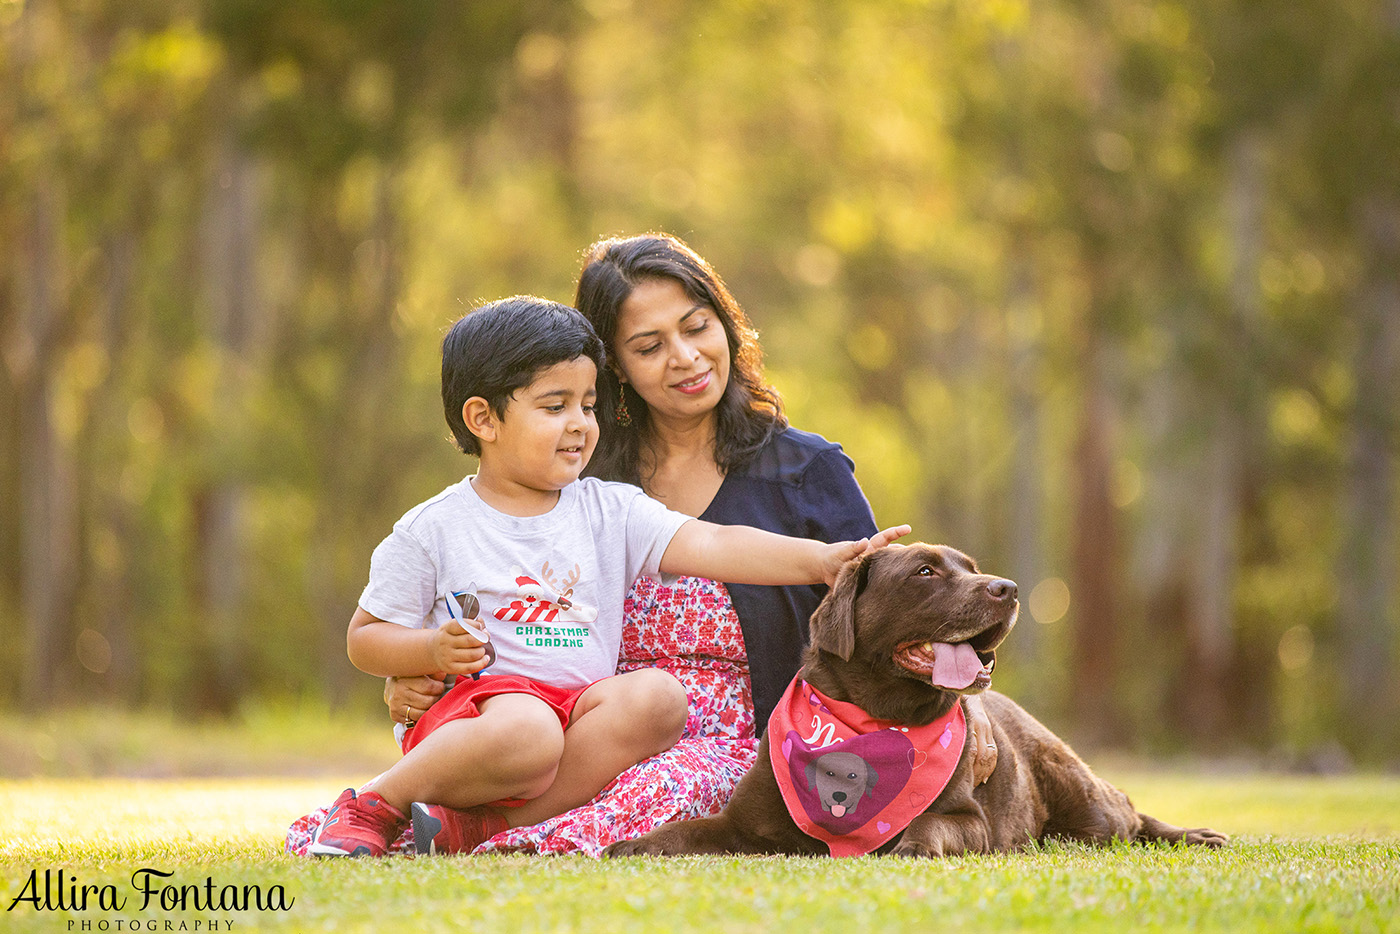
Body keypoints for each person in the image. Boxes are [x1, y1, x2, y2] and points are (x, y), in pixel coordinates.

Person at [300, 295, 907, 858]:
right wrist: (428, 650)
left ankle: (484, 828)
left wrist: (821, 560)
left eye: (588, 405)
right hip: (480, 715)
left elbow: (713, 541)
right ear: (483, 419)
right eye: (555, 406)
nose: (581, 424)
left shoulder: (607, 507)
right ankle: (375, 802)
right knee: (529, 731)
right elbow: (366, 637)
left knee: (658, 698)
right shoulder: (434, 527)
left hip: (575, 714)